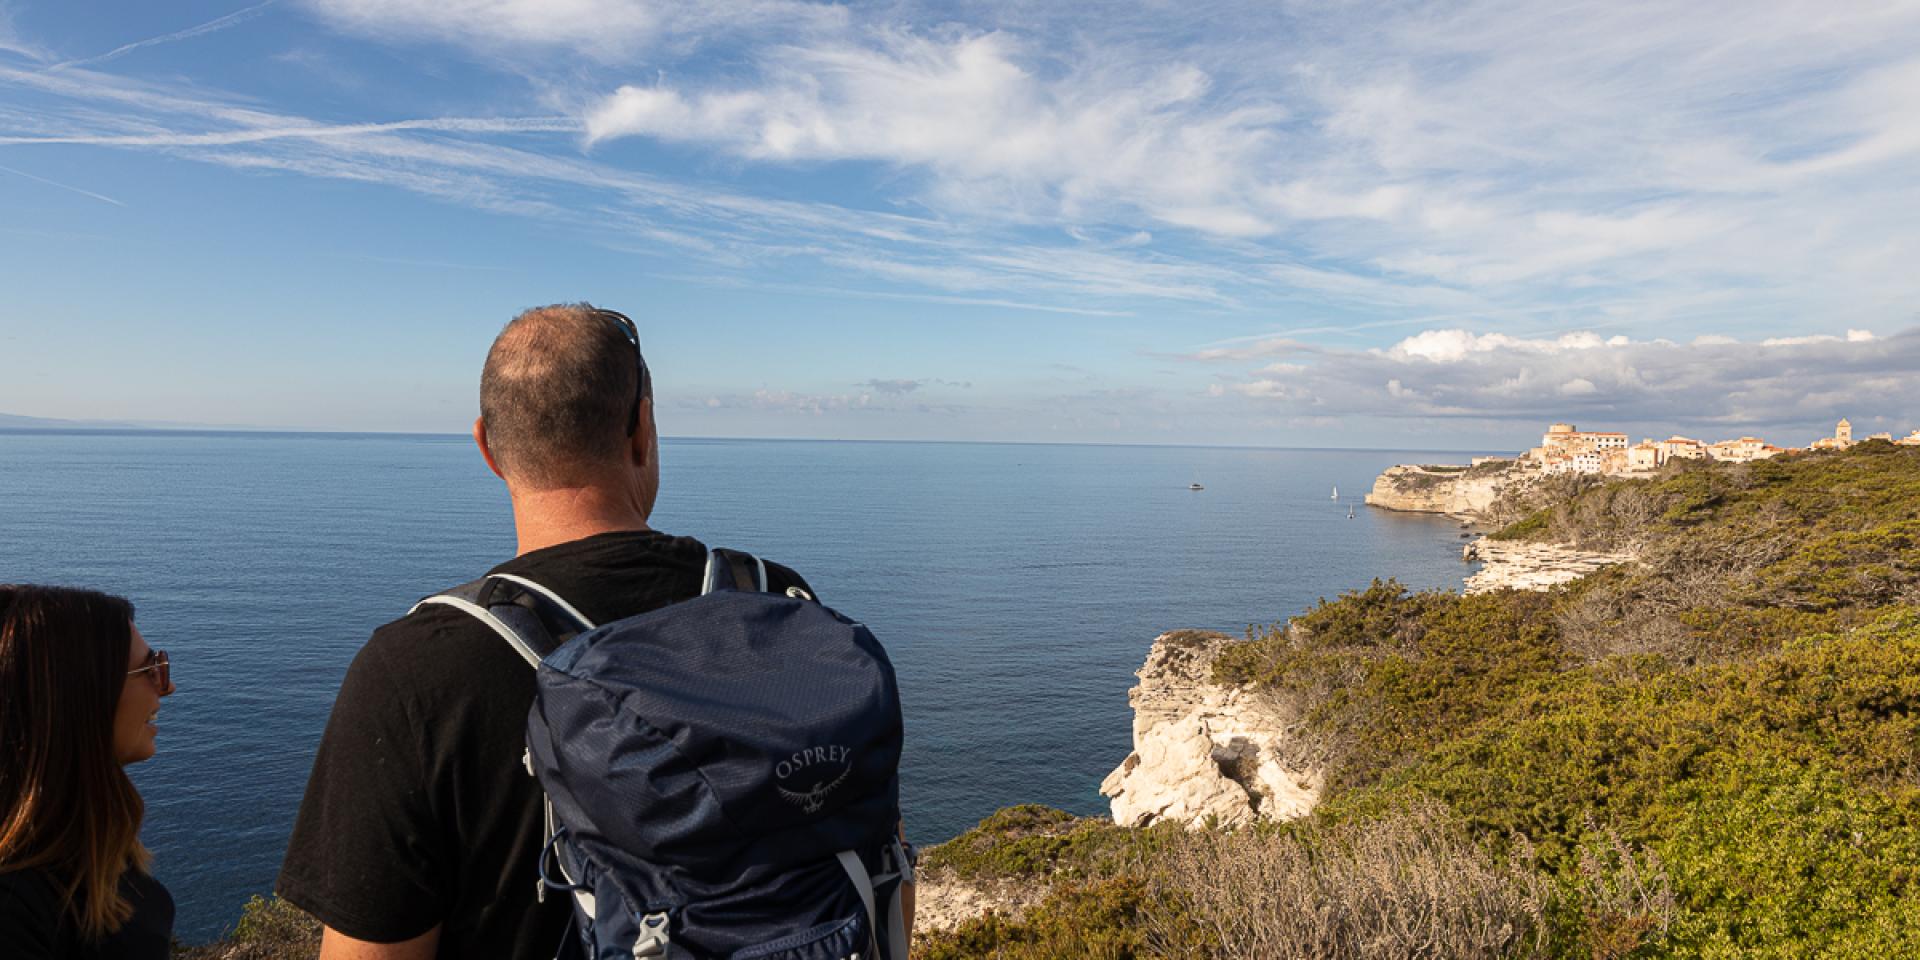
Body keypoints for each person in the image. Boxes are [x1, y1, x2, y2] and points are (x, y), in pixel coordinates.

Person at [278, 304, 907, 960]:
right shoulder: (778, 603)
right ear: (643, 429)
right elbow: (881, 860)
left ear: (488, 448)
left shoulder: (413, 671)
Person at [0, 586, 177, 959]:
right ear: (80, 694)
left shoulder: (85, 854)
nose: (167, 686)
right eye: (150, 669)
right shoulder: (15, 910)